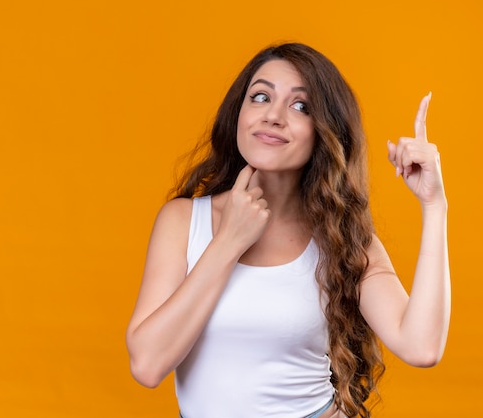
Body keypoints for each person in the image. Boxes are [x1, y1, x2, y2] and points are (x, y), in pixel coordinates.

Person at [126, 43, 450, 418]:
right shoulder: (182, 221)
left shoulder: (341, 239)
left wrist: (434, 205)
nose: (273, 116)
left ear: (323, 131)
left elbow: (422, 347)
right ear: (239, 114)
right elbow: (147, 365)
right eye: (260, 97)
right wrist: (229, 241)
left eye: (300, 106)